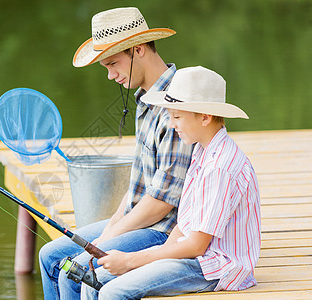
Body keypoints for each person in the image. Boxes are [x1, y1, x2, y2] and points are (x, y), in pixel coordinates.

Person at [38, 7, 194, 300]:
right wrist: (110, 227)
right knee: (50, 256)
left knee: (75, 271)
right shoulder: (145, 100)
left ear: (138, 49)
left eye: (113, 64)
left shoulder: (175, 105)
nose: (111, 76)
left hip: (164, 231)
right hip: (139, 219)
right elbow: (140, 183)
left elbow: (162, 202)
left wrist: (110, 236)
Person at [81, 66, 261, 299]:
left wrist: (130, 260)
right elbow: (184, 224)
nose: (172, 123)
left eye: (177, 116)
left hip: (214, 266)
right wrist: (154, 257)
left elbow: (196, 246)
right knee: (91, 281)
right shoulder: (201, 150)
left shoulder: (219, 167)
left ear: (205, 117)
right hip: (194, 256)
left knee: (114, 291)